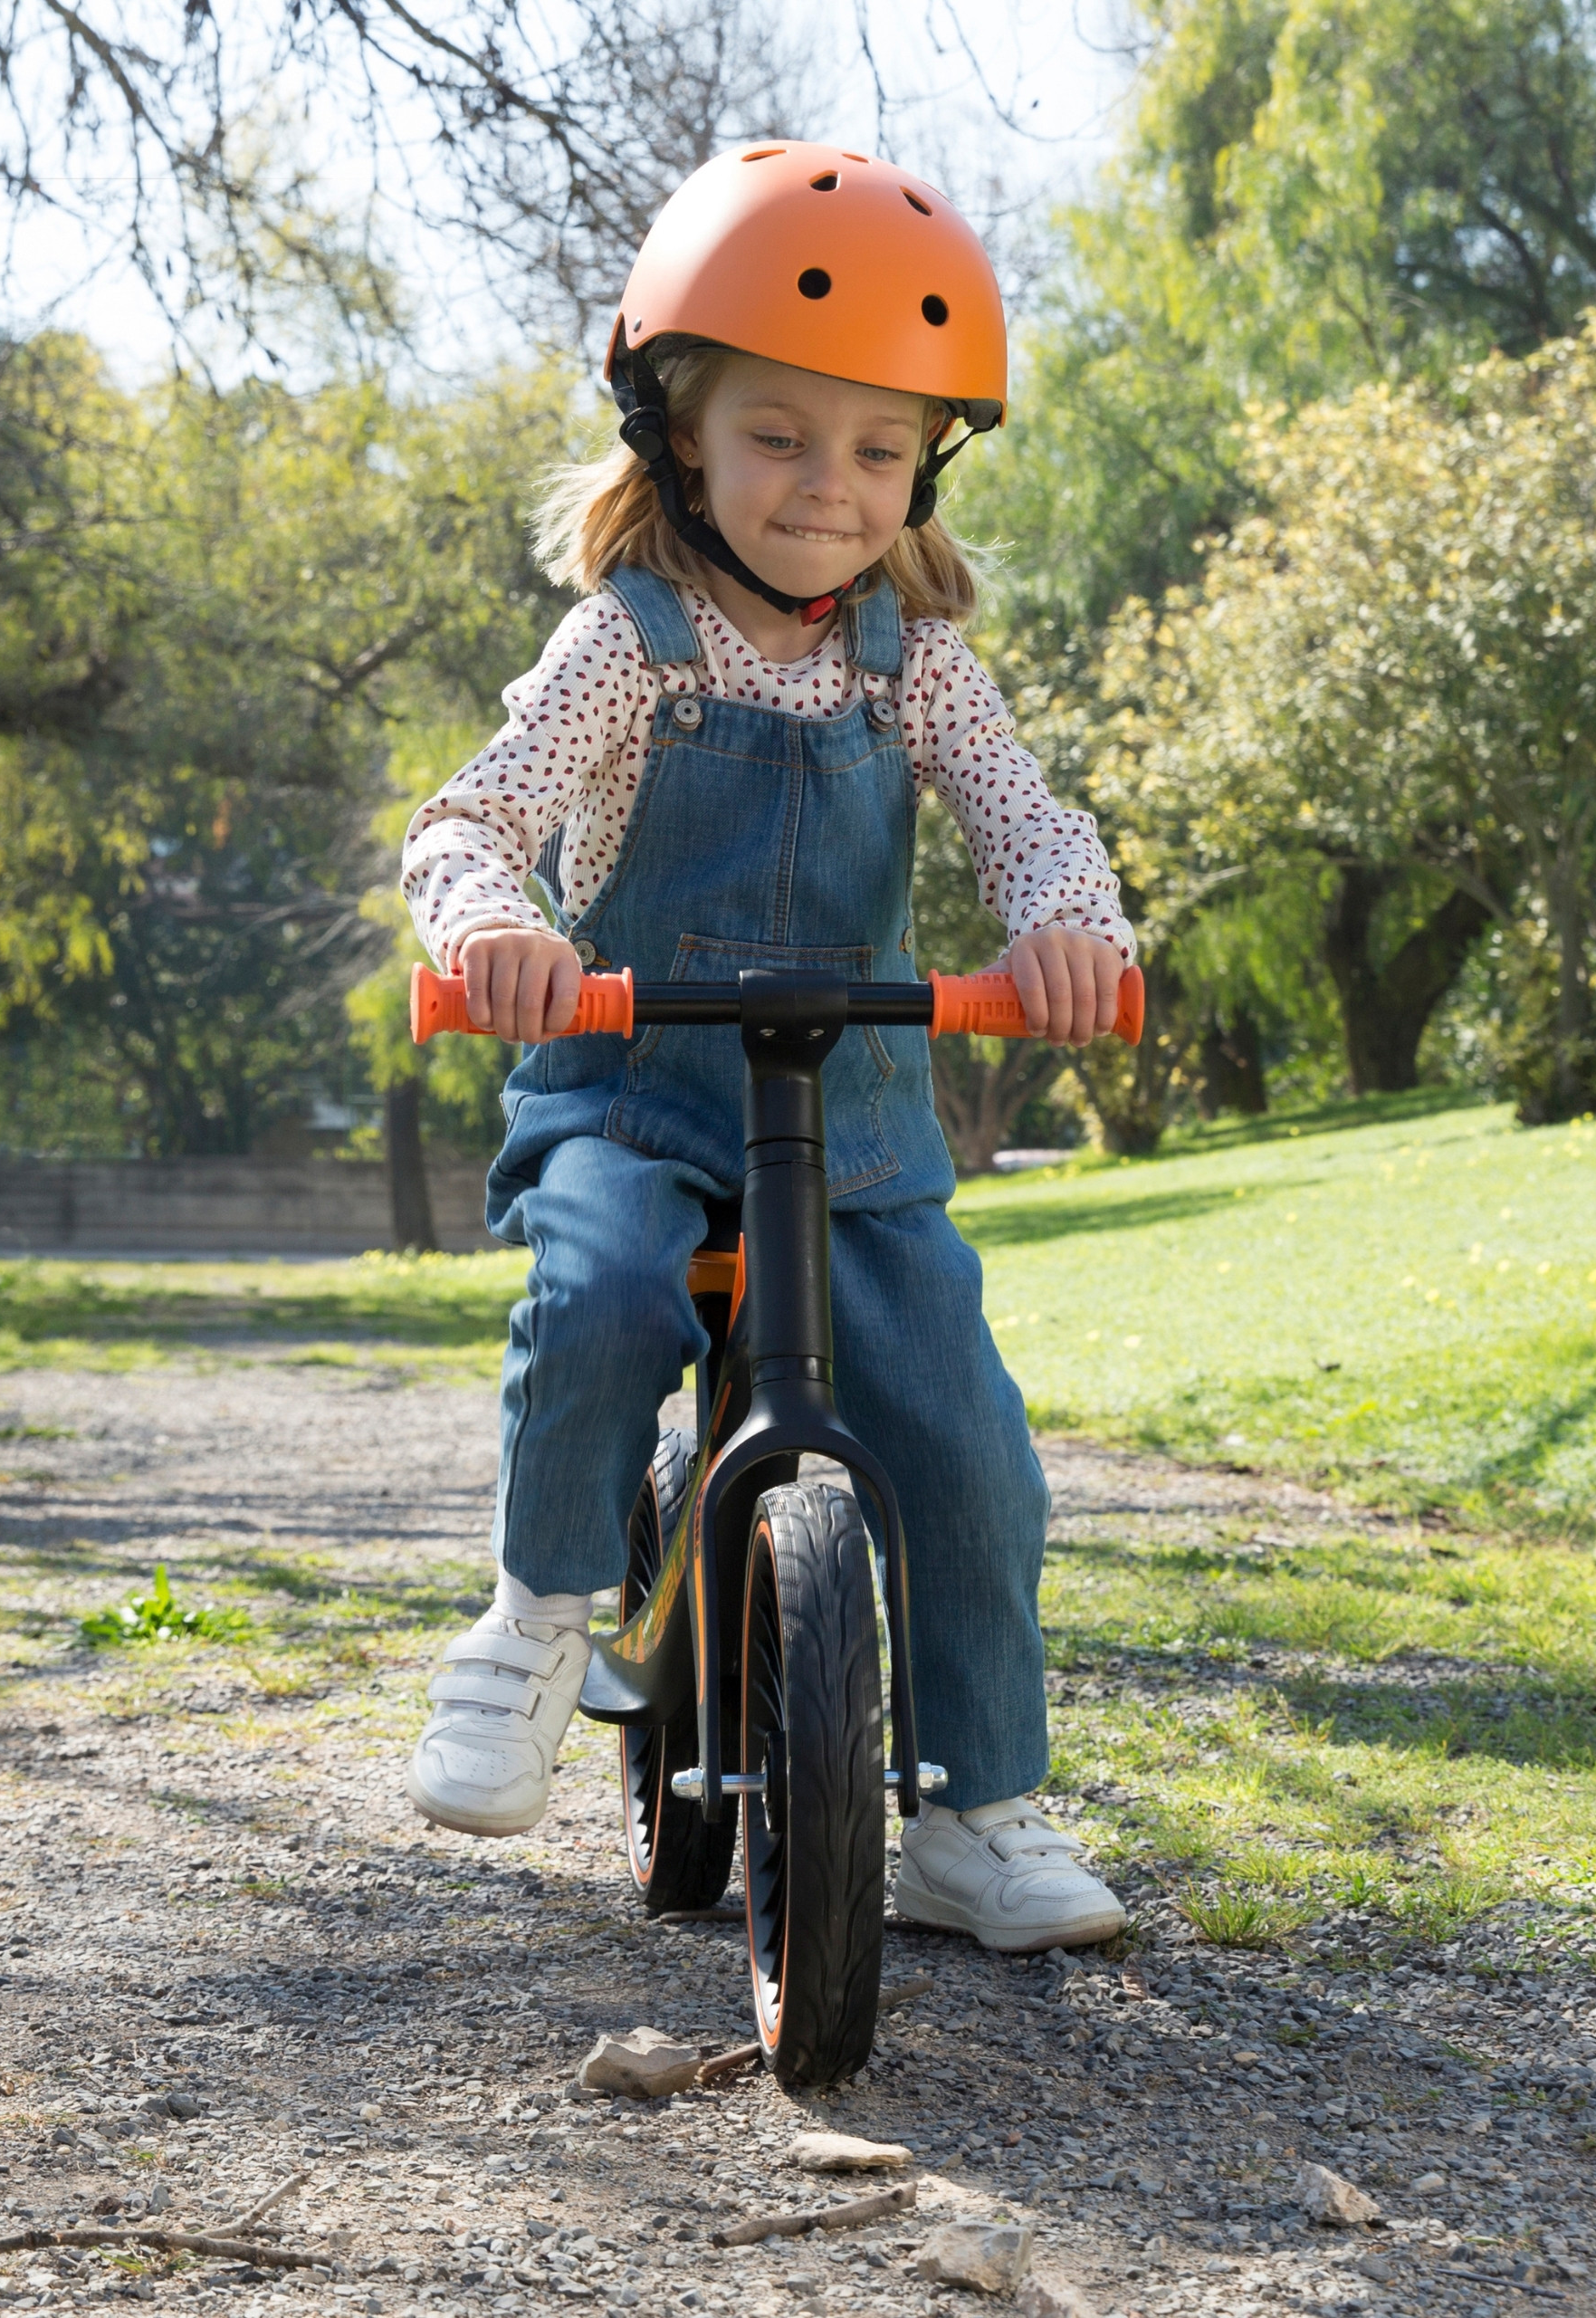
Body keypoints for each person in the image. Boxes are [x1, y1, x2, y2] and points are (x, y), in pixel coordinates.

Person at [399, 141, 1134, 1953]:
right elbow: (469, 820)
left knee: (967, 1446)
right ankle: (534, 1619)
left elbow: (1030, 825)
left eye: (878, 449)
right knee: (598, 1295)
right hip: (634, 1097)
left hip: (854, 1126)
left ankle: (974, 1810)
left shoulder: (917, 665)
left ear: (925, 468)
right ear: (680, 437)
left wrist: (1070, 932)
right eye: (780, 436)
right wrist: (489, 929)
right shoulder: (626, 649)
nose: (829, 486)